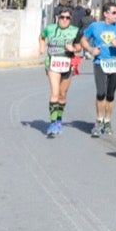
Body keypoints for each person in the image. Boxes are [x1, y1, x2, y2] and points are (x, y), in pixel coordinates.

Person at [81, 2, 116, 137]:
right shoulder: (95, 26)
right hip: (99, 63)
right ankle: (98, 121)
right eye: (114, 13)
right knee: (101, 93)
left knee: (110, 95)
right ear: (106, 14)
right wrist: (91, 49)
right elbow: (83, 40)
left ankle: (107, 121)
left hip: (115, 63)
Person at [39, 8, 81, 137]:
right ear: (58, 17)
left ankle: (58, 120)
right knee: (55, 93)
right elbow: (41, 37)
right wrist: (41, 48)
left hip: (68, 64)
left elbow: (79, 47)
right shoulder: (50, 28)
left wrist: (73, 48)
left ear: (70, 19)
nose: (64, 20)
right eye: (62, 17)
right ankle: (52, 123)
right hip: (52, 64)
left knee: (62, 95)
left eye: (67, 18)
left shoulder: (75, 31)